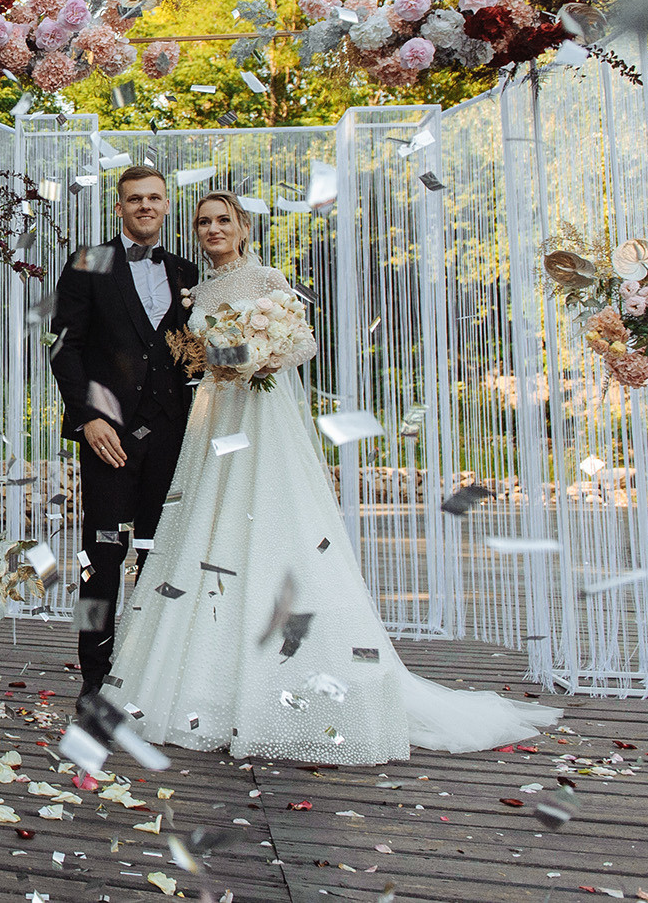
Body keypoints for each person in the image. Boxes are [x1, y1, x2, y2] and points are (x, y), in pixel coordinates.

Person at [104, 191, 559, 764]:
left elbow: (303, 344)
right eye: (204, 222)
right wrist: (216, 359)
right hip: (215, 416)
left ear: (243, 227)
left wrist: (260, 353)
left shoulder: (267, 278)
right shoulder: (198, 288)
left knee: (275, 521)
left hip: (264, 418)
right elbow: (192, 356)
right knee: (208, 528)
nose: (213, 229)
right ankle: (203, 686)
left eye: (224, 220)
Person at [49, 165, 200, 709]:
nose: (144, 207)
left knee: (162, 555)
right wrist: (87, 418)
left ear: (166, 206)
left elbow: (191, 355)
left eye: (154, 198)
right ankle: (94, 676)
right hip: (108, 438)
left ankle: (150, 670)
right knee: (101, 556)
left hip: (173, 438)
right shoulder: (89, 262)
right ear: (119, 208)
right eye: (134, 199)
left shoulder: (186, 271)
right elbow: (64, 349)